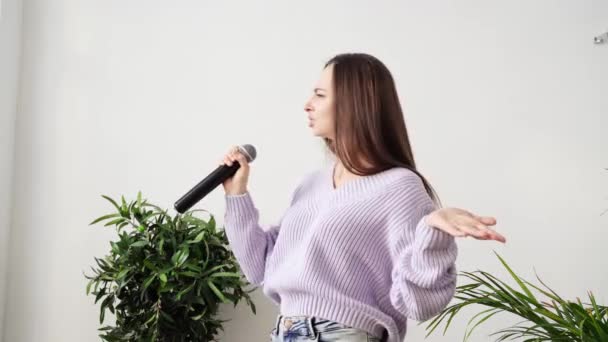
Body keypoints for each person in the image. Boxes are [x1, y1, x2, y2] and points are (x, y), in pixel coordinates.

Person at [219, 53, 506, 342]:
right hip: (286, 332)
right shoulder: (311, 184)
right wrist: (236, 196)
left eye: (320, 95)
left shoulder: (399, 187)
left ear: (354, 103)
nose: (307, 105)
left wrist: (433, 234)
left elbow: (417, 304)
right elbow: (259, 268)